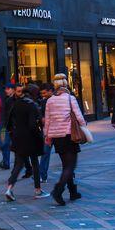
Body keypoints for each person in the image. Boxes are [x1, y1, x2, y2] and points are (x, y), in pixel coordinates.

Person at [44, 75, 87, 205]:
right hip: (69, 135)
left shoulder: (50, 100)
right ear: (65, 85)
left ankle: (73, 192)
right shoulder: (70, 98)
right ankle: (58, 190)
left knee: (65, 165)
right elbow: (79, 116)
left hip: (57, 137)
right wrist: (84, 128)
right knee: (71, 165)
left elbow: (48, 120)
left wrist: (47, 136)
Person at [4, 83, 45, 201]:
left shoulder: (16, 103)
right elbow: (33, 125)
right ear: (34, 94)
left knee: (19, 164)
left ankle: (9, 188)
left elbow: (9, 120)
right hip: (30, 138)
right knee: (35, 163)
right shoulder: (32, 105)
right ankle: (37, 190)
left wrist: (12, 133)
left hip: (18, 137)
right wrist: (39, 132)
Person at [0, 82, 17, 171]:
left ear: (13, 89)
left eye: (8, 89)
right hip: (8, 126)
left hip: (15, 127)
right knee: (5, 145)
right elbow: (5, 114)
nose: (6, 90)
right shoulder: (7, 99)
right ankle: (6, 163)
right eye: (5, 89)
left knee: (17, 146)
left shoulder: (15, 99)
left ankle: (24, 165)